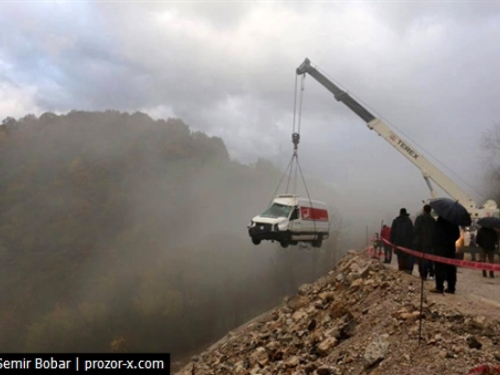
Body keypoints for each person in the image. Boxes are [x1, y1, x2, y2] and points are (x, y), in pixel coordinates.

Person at [430, 216, 460, 294]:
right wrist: (451, 241)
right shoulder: (454, 223)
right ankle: (451, 287)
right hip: (450, 249)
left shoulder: (438, 223)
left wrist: (434, 245)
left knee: (439, 268)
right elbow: (457, 235)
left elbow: (433, 235)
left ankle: (439, 287)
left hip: (440, 249)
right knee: (451, 268)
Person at [412, 204, 436, 281]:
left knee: (421, 258)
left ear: (424, 210)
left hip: (420, 241)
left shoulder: (419, 218)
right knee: (428, 258)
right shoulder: (432, 220)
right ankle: (429, 272)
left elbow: (415, 230)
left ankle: (422, 273)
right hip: (430, 242)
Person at [390, 208, 414, 273]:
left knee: (400, 257)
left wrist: (391, 241)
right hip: (407, 243)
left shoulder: (395, 221)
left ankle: (401, 270)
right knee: (406, 256)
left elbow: (392, 232)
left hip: (398, 243)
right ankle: (406, 270)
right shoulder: (409, 221)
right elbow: (412, 232)